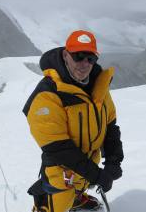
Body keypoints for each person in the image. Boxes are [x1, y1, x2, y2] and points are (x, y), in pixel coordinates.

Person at [22, 30, 124, 212]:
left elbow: (110, 127)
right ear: (66, 55)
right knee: (59, 197)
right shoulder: (48, 94)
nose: (84, 64)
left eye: (90, 58)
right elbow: (58, 148)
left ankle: (76, 198)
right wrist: (97, 175)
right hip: (61, 172)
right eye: (79, 56)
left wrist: (113, 162)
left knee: (78, 185)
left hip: (87, 167)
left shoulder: (99, 88)